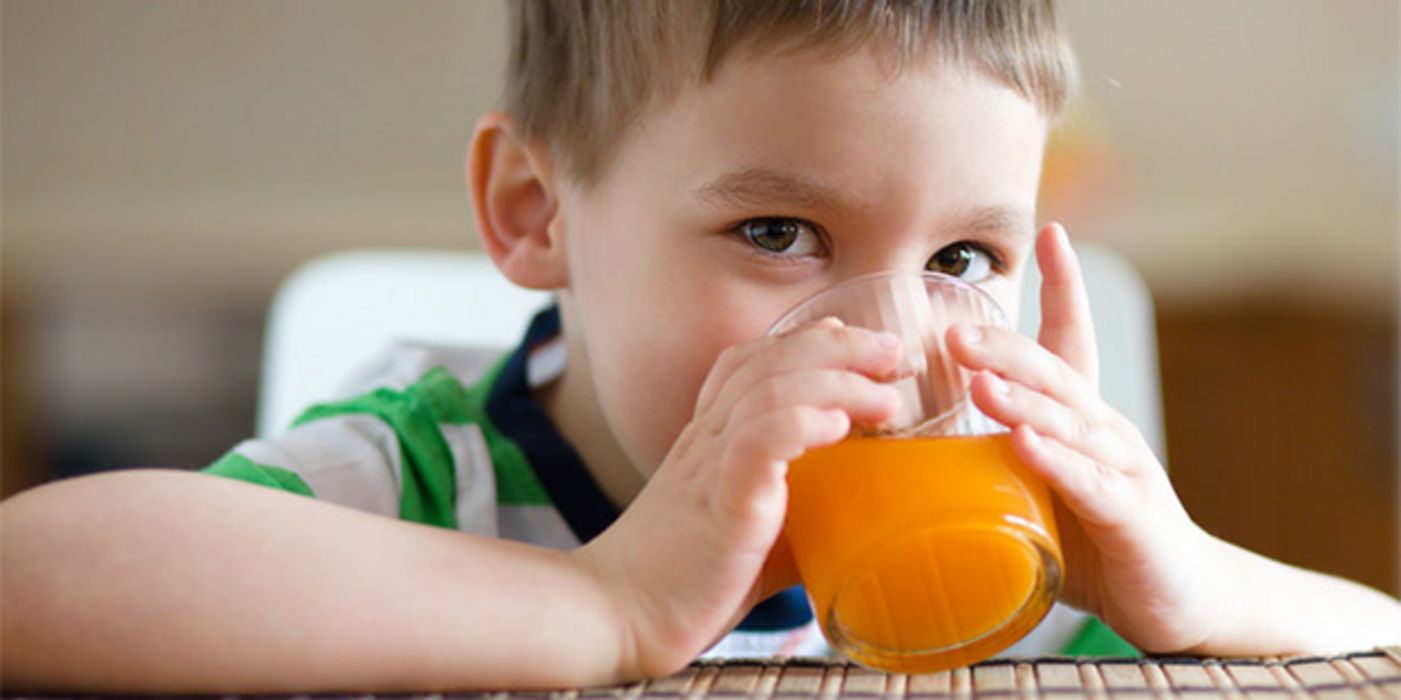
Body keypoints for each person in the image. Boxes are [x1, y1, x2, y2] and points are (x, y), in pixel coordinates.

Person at [3, 0, 1398, 693]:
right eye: (781, 234)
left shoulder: (1009, 552)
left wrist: (1194, 589)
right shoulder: (424, 479)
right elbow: (32, 585)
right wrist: (605, 606)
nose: (889, 335)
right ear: (535, 211)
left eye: (961, 260)